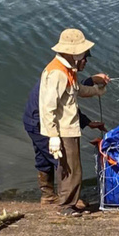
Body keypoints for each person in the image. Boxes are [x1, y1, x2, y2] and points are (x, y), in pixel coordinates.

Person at [37, 29, 110, 216]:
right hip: (63, 130)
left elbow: (78, 90)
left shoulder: (68, 70)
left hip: (70, 128)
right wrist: (53, 136)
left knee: (70, 167)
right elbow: (48, 107)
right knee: (71, 169)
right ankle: (66, 206)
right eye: (84, 53)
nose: (85, 57)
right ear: (74, 53)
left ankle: (69, 203)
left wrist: (97, 91)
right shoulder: (57, 72)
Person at [23, 68, 105, 207]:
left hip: (31, 120)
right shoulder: (59, 74)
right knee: (62, 160)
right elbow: (65, 98)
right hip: (40, 122)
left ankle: (48, 196)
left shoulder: (62, 70)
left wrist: (87, 122)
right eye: (84, 58)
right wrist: (54, 135)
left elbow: (68, 98)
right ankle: (67, 199)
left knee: (44, 158)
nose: (85, 62)